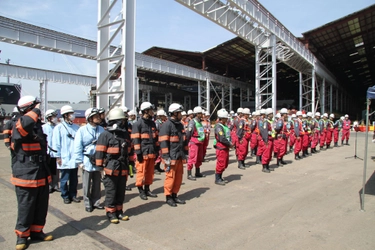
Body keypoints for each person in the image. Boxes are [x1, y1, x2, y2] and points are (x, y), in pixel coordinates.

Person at [11, 96, 52, 250]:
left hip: (40, 171)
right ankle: (21, 236)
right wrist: (34, 110)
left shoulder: (37, 126)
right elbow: (24, 127)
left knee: (41, 206)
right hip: (25, 174)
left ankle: (37, 232)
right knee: (26, 206)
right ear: (28, 108)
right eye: (35, 108)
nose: (38, 111)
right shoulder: (20, 122)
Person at [95, 108, 133, 223]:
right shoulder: (105, 135)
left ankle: (119, 211)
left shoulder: (125, 134)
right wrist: (100, 168)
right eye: (121, 120)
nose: (123, 122)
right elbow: (100, 152)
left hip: (123, 167)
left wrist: (131, 162)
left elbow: (130, 150)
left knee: (121, 191)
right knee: (111, 191)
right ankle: (111, 213)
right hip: (111, 168)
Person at [74, 108, 105, 212]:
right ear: (89, 118)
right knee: (86, 184)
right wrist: (80, 162)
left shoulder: (101, 130)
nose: (98, 118)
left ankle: (96, 202)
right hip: (87, 160)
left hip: (98, 160)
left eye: (98, 116)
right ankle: (87, 203)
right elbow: (77, 146)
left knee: (97, 183)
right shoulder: (82, 130)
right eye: (95, 116)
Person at [159, 103, 188, 206]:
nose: (181, 115)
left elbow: (184, 141)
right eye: (179, 112)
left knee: (179, 177)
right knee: (170, 177)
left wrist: (186, 153)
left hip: (179, 156)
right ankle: (168, 197)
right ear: (175, 113)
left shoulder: (180, 125)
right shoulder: (166, 125)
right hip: (171, 157)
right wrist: (166, 157)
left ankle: (175, 195)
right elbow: (163, 142)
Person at [52, 105, 80, 204]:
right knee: (64, 179)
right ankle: (65, 195)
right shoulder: (58, 128)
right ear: (65, 115)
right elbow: (56, 143)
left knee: (74, 179)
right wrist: (58, 156)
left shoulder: (77, 128)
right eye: (70, 114)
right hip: (64, 158)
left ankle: (73, 195)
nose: (72, 116)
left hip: (74, 158)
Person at [131, 102, 159, 200]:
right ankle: (141, 190)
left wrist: (157, 149)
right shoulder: (137, 124)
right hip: (142, 153)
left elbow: (156, 137)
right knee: (141, 172)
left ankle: (147, 189)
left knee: (150, 172)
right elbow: (135, 139)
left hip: (151, 152)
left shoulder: (152, 123)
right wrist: (138, 152)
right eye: (151, 110)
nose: (153, 112)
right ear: (146, 111)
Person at [213, 109, 234, 185]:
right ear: (221, 118)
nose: (227, 119)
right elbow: (222, 138)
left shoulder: (224, 126)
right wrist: (229, 144)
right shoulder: (219, 126)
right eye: (225, 118)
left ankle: (220, 177)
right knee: (221, 163)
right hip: (221, 147)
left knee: (225, 163)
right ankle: (217, 178)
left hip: (225, 147)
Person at [42, 109, 60, 193]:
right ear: (48, 118)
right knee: (48, 169)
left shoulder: (57, 127)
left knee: (56, 170)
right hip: (47, 152)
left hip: (55, 152)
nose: (55, 118)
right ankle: (49, 185)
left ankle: (55, 184)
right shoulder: (44, 127)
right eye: (53, 117)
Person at [186, 106, 206, 180]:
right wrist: (187, 142)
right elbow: (189, 133)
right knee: (192, 158)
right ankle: (189, 174)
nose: (202, 115)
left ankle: (197, 172)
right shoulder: (192, 122)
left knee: (199, 158)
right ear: (197, 114)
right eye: (201, 113)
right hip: (194, 142)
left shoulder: (199, 122)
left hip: (200, 142)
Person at [260, 108, 275, 172]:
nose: (272, 115)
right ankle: (264, 167)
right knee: (266, 154)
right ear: (268, 115)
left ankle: (267, 166)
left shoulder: (271, 121)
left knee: (269, 154)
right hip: (267, 140)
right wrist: (266, 140)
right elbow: (265, 131)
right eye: (271, 114)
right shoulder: (266, 122)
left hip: (271, 139)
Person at [154, 109, 167, 175]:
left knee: (160, 155)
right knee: (157, 155)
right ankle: (155, 168)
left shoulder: (163, 122)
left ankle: (158, 167)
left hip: (162, 141)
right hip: (158, 142)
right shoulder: (157, 123)